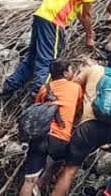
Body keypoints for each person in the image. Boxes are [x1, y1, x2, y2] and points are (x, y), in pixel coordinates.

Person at [3, 0, 111, 97]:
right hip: (54, 21)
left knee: (32, 57)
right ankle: (40, 95)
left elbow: (78, 10)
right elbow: (87, 14)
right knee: (49, 62)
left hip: (42, 15)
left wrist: (87, 30)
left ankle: (8, 87)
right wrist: (89, 36)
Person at [49, 53, 111, 196]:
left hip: (89, 126)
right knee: (74, 164)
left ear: (107, 62)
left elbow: (73, 86)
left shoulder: (95, 69)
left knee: (70, 169)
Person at [19, 59, 83, 196]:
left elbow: (38, 107)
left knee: (29, 181)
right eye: (71, 69)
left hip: (40, 136)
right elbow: (78, 109)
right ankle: (43, 182)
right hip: (60, 138)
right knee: (62, 163)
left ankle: (35, 184)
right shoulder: (75, 88)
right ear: (66, 73)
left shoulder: (45, 88)